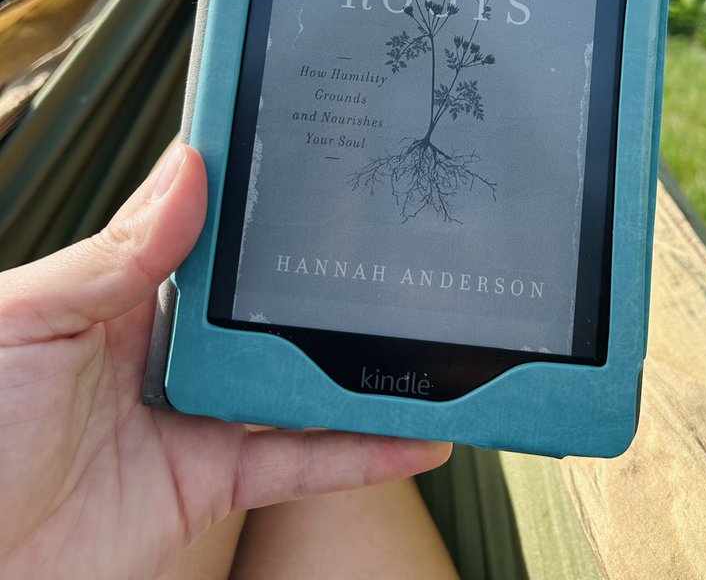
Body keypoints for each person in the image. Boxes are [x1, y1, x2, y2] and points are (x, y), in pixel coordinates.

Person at [0, 143, 460, 579]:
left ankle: (283, 339)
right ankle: (291, 338)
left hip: (121, 454)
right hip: (152, 450)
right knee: (325, 454)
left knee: (266, 398)